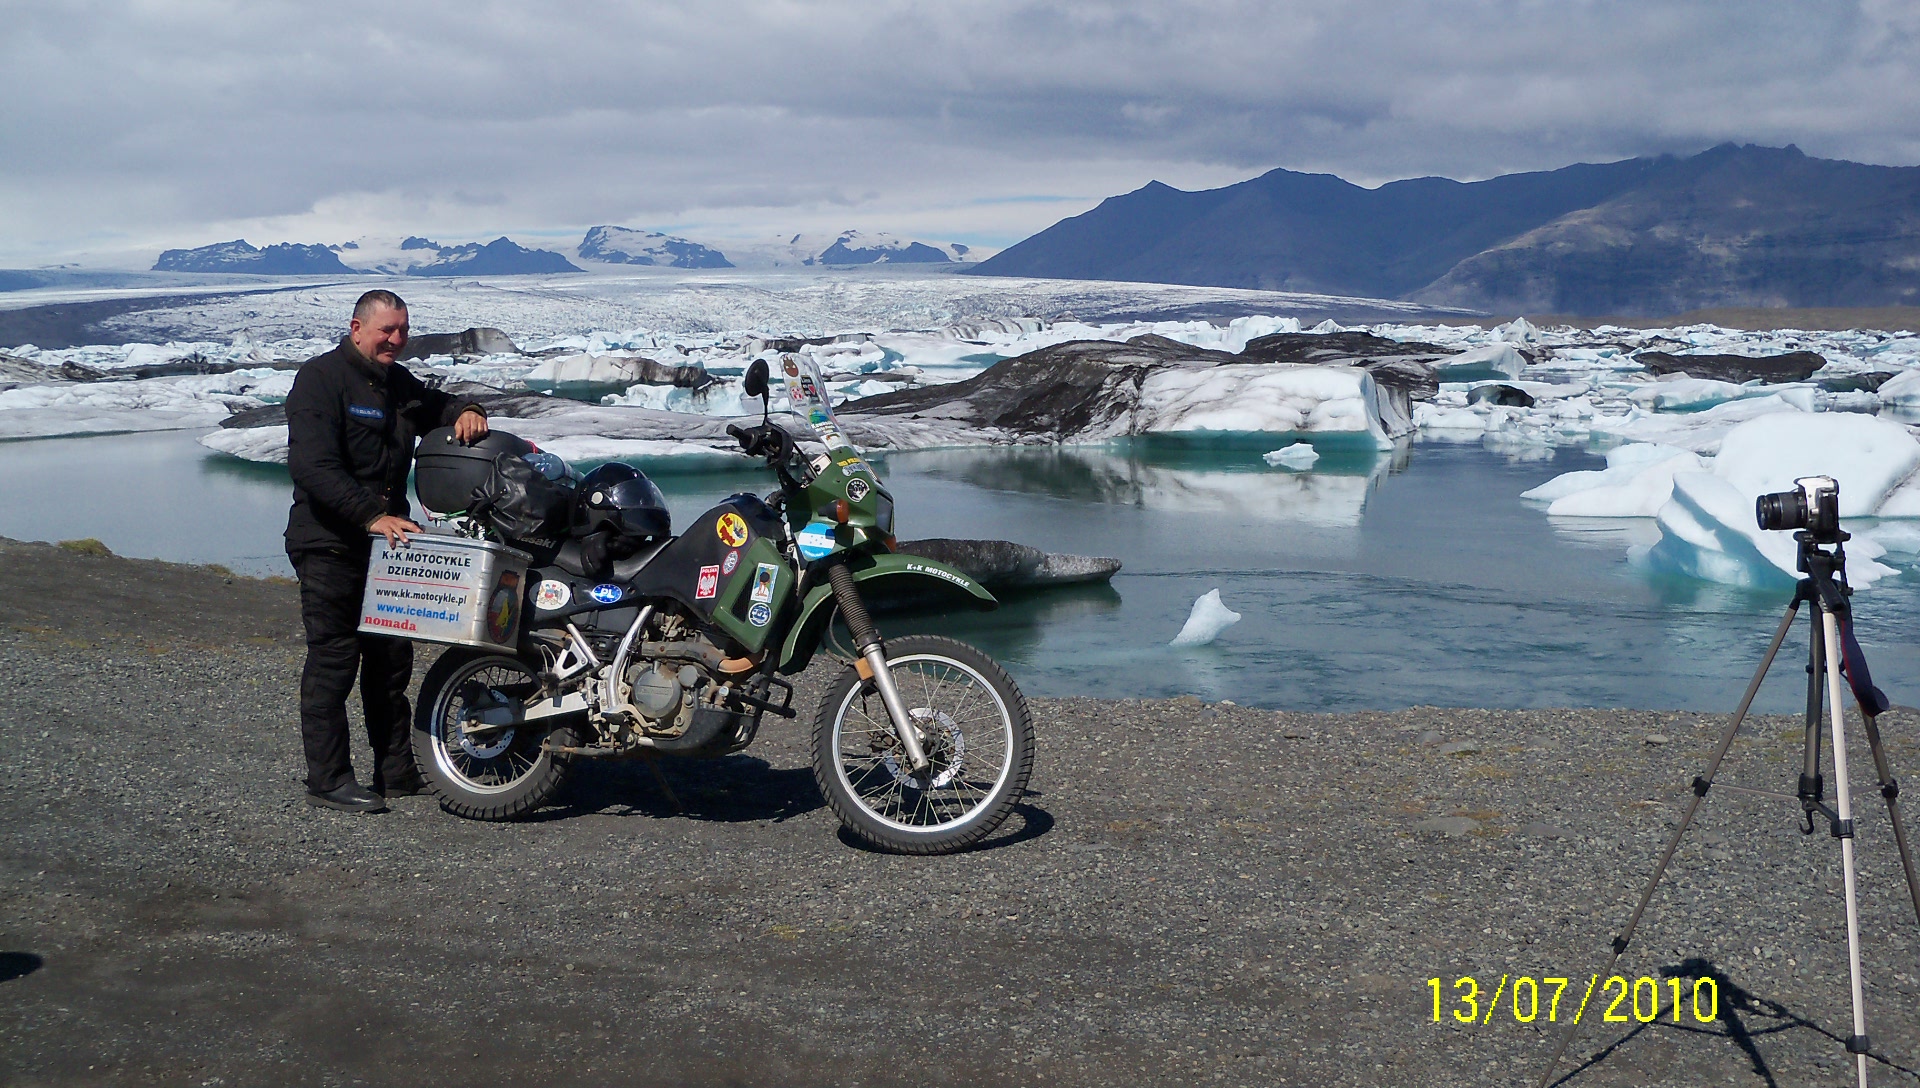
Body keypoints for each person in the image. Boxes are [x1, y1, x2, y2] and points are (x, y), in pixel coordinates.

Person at [284, 289, 489, 813]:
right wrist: (370, 514)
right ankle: (327, 780)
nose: (396, 340)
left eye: (403, 330)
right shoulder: (320, 379)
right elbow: (312, 466)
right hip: (330, 543)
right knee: (334, 661)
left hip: (386, 548)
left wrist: (465, 410)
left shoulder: (396, 382)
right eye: (386, 331)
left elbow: (436, 404)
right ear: (357, 328)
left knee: (389, 662)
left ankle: (394, 771)